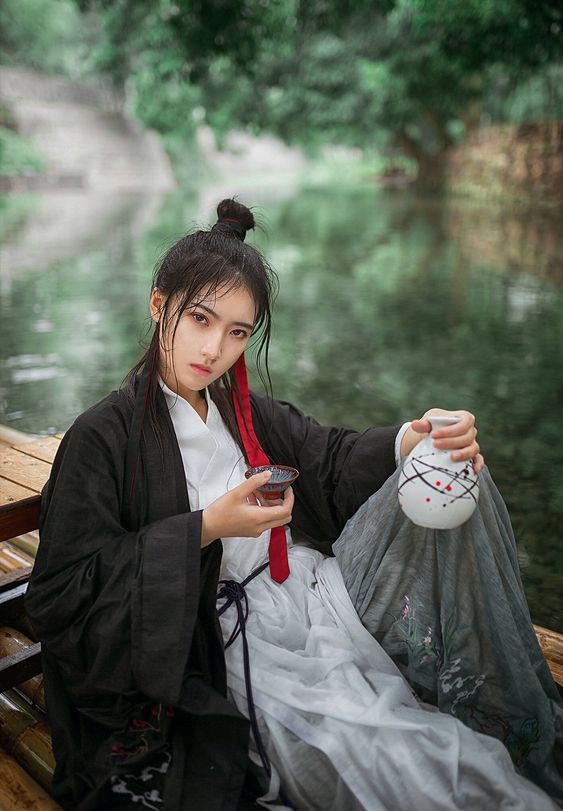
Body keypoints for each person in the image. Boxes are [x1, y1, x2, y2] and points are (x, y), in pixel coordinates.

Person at [25, 199, 562, 811]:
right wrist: (204, 528)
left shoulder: (241, 408)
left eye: (236, 332)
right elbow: (61, 592)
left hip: (309, 591)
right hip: (220, 631)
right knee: (377, 751)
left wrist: (417, 436)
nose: (213, 349)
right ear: (158, 304)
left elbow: (328, 456)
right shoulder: (102, 435)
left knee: (445, 473)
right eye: (200, 318)